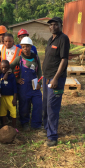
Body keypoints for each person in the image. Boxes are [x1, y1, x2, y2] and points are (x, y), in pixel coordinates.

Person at [42, 17, 70, 147]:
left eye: (55, 24)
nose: (52, 26)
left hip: (55, 79)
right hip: (47, 78)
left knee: (52, 107)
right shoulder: (50, 39)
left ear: (61, 25)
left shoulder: (63, 39)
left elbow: (64, 60)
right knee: (46, 105)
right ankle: (47, 129)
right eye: (51, 25)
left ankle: (52, 136)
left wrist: (56, 78)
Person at [10, 37, 43, 131]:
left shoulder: (36, 58)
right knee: (24, 105)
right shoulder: (19, 59)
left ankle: (36, 124)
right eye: (23, 47)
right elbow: (10, 67)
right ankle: (24, 123)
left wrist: (39, 83)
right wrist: (16, 79)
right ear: (21, 47)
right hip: (24, 87)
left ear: (31, 47)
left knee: (38, 103)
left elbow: (40, 71)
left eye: (27, 46)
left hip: (35, 85)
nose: (25, 48)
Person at [0, 60, 17, 129]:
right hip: (2, 97)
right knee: (3, 112)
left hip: (10, 97)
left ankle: (14, 127)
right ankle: (4, 126)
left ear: (8, 68)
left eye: (6, 68)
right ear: (0, 67)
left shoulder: (11, 76)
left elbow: (15, 87)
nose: (4, 69)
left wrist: (15, 98)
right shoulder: (0, 74)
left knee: (13, 112)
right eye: (2, 67)